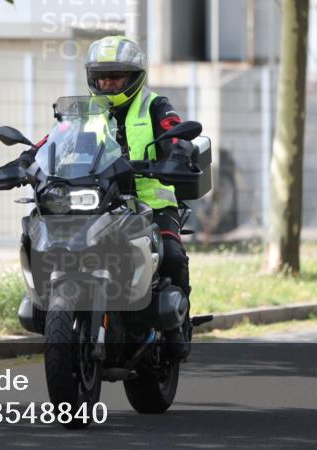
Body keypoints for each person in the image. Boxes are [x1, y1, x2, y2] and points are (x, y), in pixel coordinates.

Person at [20, 35, 193, 359]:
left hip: (149, 200)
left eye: (115, 76)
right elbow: (53, 139)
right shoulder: (84, 114)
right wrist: (25, 160)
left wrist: (178, 154)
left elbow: (175, 129)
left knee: (170, 252)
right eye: (101, 77)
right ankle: (55, 310)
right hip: (99, 196)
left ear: (134, 77)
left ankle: (176, 328)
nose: (108, 83)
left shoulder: (154, 105)